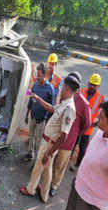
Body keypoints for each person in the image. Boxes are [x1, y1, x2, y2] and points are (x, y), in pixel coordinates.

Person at [49, 98, 108, 210]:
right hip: (80, 184)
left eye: (101, 117)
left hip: (91, 202)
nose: (97, 117)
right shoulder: (103, 131)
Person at [19, 74, 79, 203]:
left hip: (50, 144)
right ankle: (44, 194)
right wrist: (37, 97)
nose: (61, 90)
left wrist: (49, 152)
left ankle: (31, 189)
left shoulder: (69, 108)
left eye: (63, 87)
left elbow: (64, 136)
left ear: (67, 88)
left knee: (38, 167)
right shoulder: (65, 103)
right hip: (48, 142)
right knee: (47, 169)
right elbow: (51, 108)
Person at [48, 72, 91, 198]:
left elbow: (87, 124)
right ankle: (47, 181)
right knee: (51, 160)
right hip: (56, 137)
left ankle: (54, 185)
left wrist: (76, 134)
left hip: (68, 142)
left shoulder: (84, 104)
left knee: (60, 165)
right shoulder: (64, 96)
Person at [70, 73, 105, 172]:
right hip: (76, 125)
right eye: (91, 84)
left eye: (95, 85)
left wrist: (96, 122)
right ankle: (67, 158)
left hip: (88, 128)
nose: (92, 86)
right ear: (88, 83)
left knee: (82, 148)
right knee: (73, 143)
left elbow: (101, 114)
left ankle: (78, 164)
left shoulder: (101, 99)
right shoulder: (81, 91)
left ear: (98, 86)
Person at [23, 63, 55, 162]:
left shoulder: (50, 89)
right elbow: (31, 100)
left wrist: (48, 123)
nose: (37, 76)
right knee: (31, 136)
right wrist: (27, 114)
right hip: (33, 116)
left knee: (38, 141)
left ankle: (37, 159)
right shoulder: (35, 85)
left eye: (39, 75)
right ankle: (30, 154)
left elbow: (51, 108)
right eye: (37, 74)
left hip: (42, 120)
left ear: (45, 75)